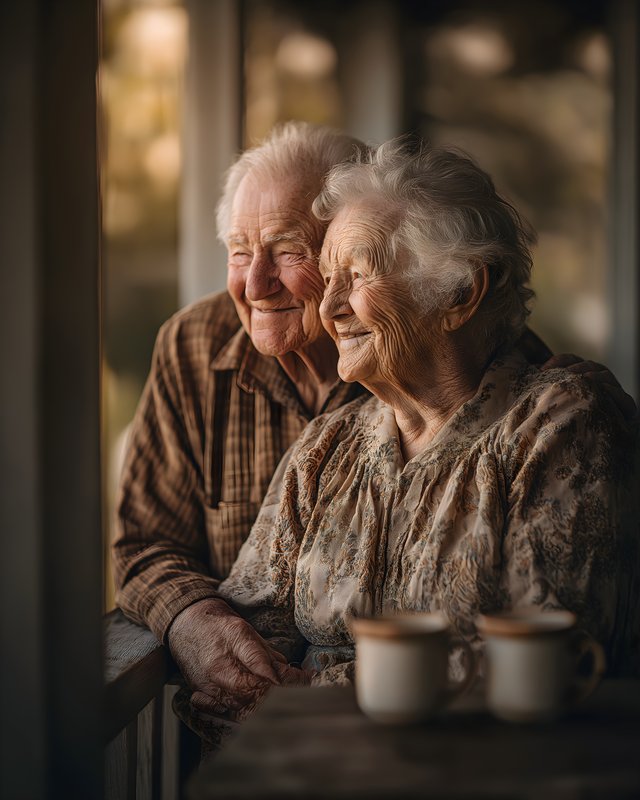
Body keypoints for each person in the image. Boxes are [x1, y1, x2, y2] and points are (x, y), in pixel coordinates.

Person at [113, 124, 635, 742]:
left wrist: (309, 700)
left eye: (352, 275)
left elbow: (538, 662)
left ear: (462, 292)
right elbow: (240, 651)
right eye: (325, 276)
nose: (328, 308)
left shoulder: (556, 423)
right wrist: (250, 678)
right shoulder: (329, 445)